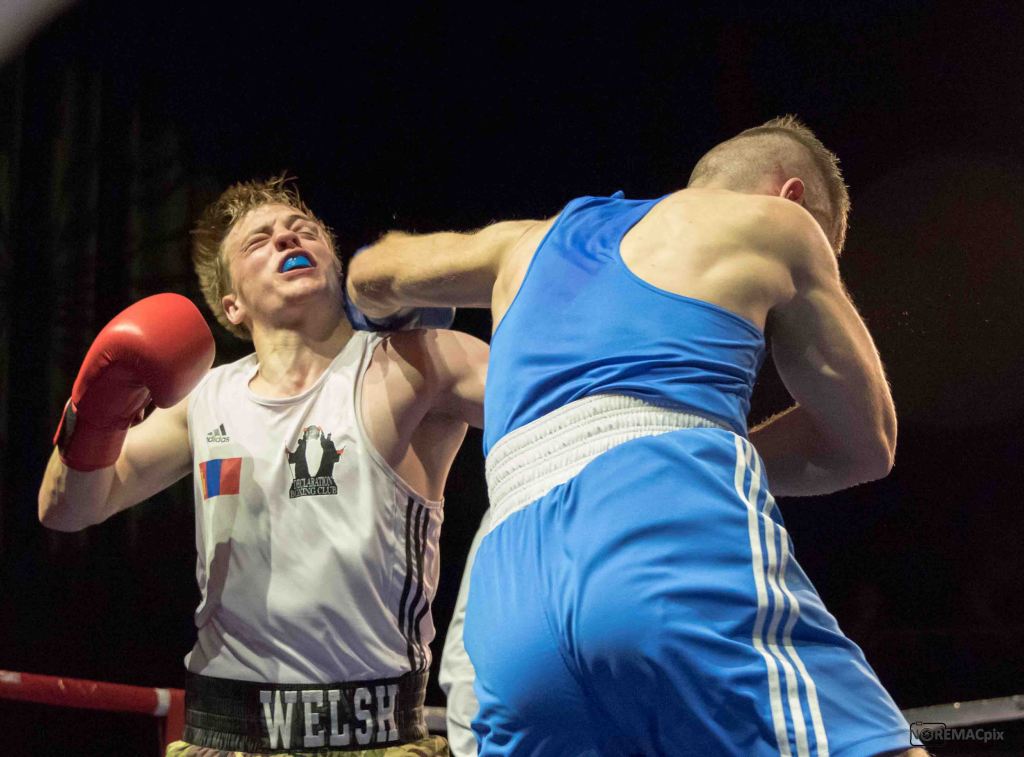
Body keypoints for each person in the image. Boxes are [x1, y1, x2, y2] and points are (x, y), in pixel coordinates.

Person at [347, 116, 924, 756]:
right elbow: (866, 443)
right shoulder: (777, 223)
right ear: (791, 197)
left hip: (510, 600)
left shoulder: (522, 243)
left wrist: (385, 307)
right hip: (664, 544)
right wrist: (704, 453)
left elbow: (374, 271)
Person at [38, 176, 489, 757]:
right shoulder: (205, 400)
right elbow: (65, 511)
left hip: (373, 735)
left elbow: (550, 395)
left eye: (303, 231)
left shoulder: (413, 362)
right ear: (232, 305)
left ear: (337, 266)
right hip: (222, 736)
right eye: (259, 240)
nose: (286, 238)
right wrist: (96, 409)